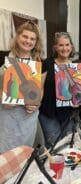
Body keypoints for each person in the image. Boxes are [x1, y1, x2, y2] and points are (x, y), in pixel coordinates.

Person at [0, 21, 44, 153]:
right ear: (18, 36)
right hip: (7, 114)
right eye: (25, 36)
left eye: (32, 39)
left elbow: (39, 89)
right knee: (8, 154)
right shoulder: (3, 57)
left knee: (27, 152)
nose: (28, 41)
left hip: (28, 117)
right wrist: (3, 99)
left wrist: (36, 104)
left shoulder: (37, 61)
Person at [39, 32, 77, 148]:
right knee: (54, 148)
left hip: (68, 114)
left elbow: (77, 90)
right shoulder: (47, 63)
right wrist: (34, 104)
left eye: (67, 45)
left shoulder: (75, 67)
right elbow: (39, 87)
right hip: (49, 114)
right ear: (55, 47)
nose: (64, 48)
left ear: (71, 46)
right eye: (61, 45)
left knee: (68, 147)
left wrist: (77, 101)